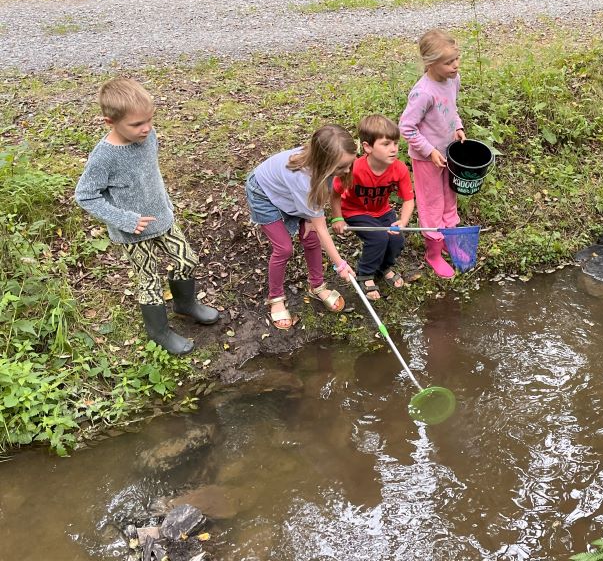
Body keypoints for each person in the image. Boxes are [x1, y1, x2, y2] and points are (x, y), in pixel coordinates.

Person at [75, 78, 219, 355]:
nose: (147, 128)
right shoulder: (104, 157)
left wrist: (164, 204)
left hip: (162, 218)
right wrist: (125, 220)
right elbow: (85, 195)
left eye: (150, 120)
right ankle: (159, 332)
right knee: (149, 279)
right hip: (133, 232)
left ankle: (185, 304)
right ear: (110, 122)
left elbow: (151, 175)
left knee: (187, 258)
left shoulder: (147, 136)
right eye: (137, 124)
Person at [245, 125, 356, 330]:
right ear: (325, 163)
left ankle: (317, 286)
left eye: (350, 164)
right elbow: (323, 228)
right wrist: (340, 264)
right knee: (284, 248)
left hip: (290, 194)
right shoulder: (303, 179)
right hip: (263, 194)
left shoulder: (323, 170)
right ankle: (276, 298)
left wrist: (310, 219)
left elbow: (320, 205)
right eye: (342, 167)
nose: (347, 171)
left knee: (311, 237)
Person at [399, 29, 466, 278]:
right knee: (432, 204)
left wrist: (457, 127)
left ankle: (448, 240)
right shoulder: (423, 93)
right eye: (449, 62)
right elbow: (406, 127)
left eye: (457, 59)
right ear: (430, 63)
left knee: (449, 197)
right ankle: (433, 253)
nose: (455, 65)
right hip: (427, 159)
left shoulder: (452, 80)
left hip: (449, 154)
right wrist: (428, 151)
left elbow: (451, 110)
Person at [331, 115, 416, 300]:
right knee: (378, 238)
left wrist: (403, 221)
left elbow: (409, 200)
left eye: (395, 143)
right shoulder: (353, 168)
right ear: (367, 147)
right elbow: (335, 193)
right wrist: (337, 218)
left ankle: (384, 267)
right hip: (355, 211)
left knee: (396, 240)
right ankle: (365, 273)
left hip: (383, 210)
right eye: (386, 144)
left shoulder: (399, 169)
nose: (393, 149)